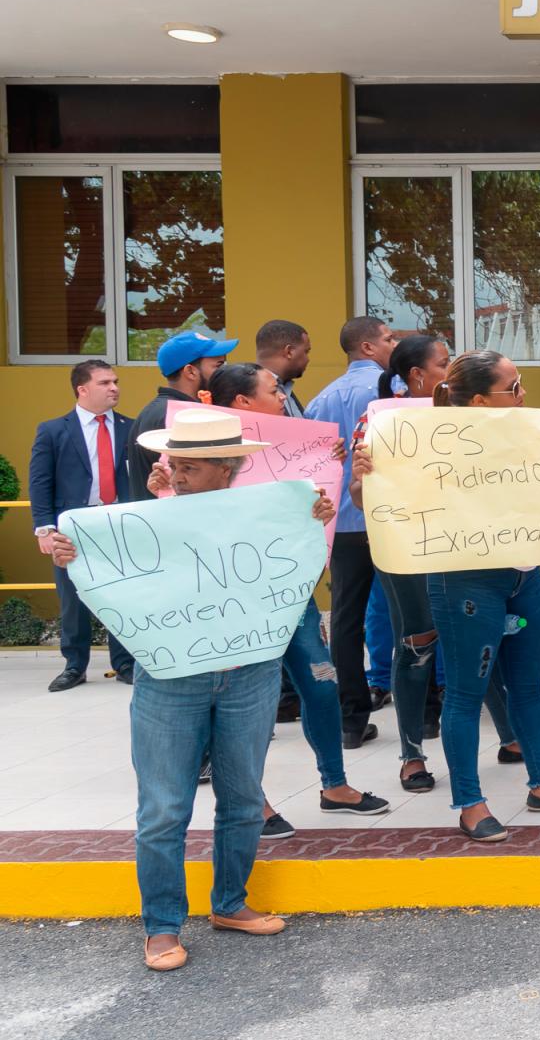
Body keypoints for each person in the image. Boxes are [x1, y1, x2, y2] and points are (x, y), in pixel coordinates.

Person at [42, 407, 336, 971]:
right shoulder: (153, 518)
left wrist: (311, 520)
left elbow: (295, 566)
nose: (176, 473)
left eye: (191, 467)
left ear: (228, 469)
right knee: (163, 807)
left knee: (244, 798)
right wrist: (67, 551)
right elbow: (114, 558)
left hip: (249, 674)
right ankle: (162, 926)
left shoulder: (266, 514)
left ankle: (230, 902)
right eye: (172, 463)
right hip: (169, 678)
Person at [354, 350, 540, 843]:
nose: (524, 393)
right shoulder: (420, 443)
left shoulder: (525, 434)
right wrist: (366, 476)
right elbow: (374, 500)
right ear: (483, 399)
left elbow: (529, 496)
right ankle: (470, 802)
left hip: (522, 577)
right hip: (464, 582)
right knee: (465, 694)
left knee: (527, 688)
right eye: (515, 386)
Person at [197, 363, 388, 836]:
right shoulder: (195, 456)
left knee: (322, 682)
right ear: (242, 403)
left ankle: (335, 785)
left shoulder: (297, 446)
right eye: (272, 389)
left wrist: (329, 469)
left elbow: (303, 512)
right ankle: (251, 801)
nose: (282, 396)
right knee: (249, 702)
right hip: (232, 603)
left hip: (292, 597)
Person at [340, 334, 453, 791]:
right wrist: (362, 479)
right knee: (416, 644)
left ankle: (511, 739)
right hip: (404, 550)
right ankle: (412, 756)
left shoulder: (470, 416)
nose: (453, 370)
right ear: (417, 377)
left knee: (480, 640)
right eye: (445, 363)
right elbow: (360, 498)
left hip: (463, 547)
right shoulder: (378, 423)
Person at [306, 315, 399, 748]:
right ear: (367, 347)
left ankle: (351, 718)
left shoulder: (320, 400)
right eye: (388, 338)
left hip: (340, 523)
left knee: (346, 619)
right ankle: (426, 712)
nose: (394, 345)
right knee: (410, 612)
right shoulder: (391, 393)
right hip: (387, 516)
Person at [28, 359, 138, 692]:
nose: (114, 388)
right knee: (73, 599)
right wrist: (44, 528)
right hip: (72, 528)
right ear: (83, 389)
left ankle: (125, 663)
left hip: (119, 523)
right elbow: (40, 481)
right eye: (105, 383)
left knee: (121, 595)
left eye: (115, 381)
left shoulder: (130, 427)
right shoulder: (53, 430)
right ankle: (74, 666)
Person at [127, 328, 237, 498]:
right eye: (218, 365)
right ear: (190, 371)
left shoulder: (158, 409)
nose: (224, 372)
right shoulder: (178, 416)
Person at [254, 319, 313, 417]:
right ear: (289, 352)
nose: (308, 359)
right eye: (306, 352)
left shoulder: (285, 388)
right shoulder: (250, 393)